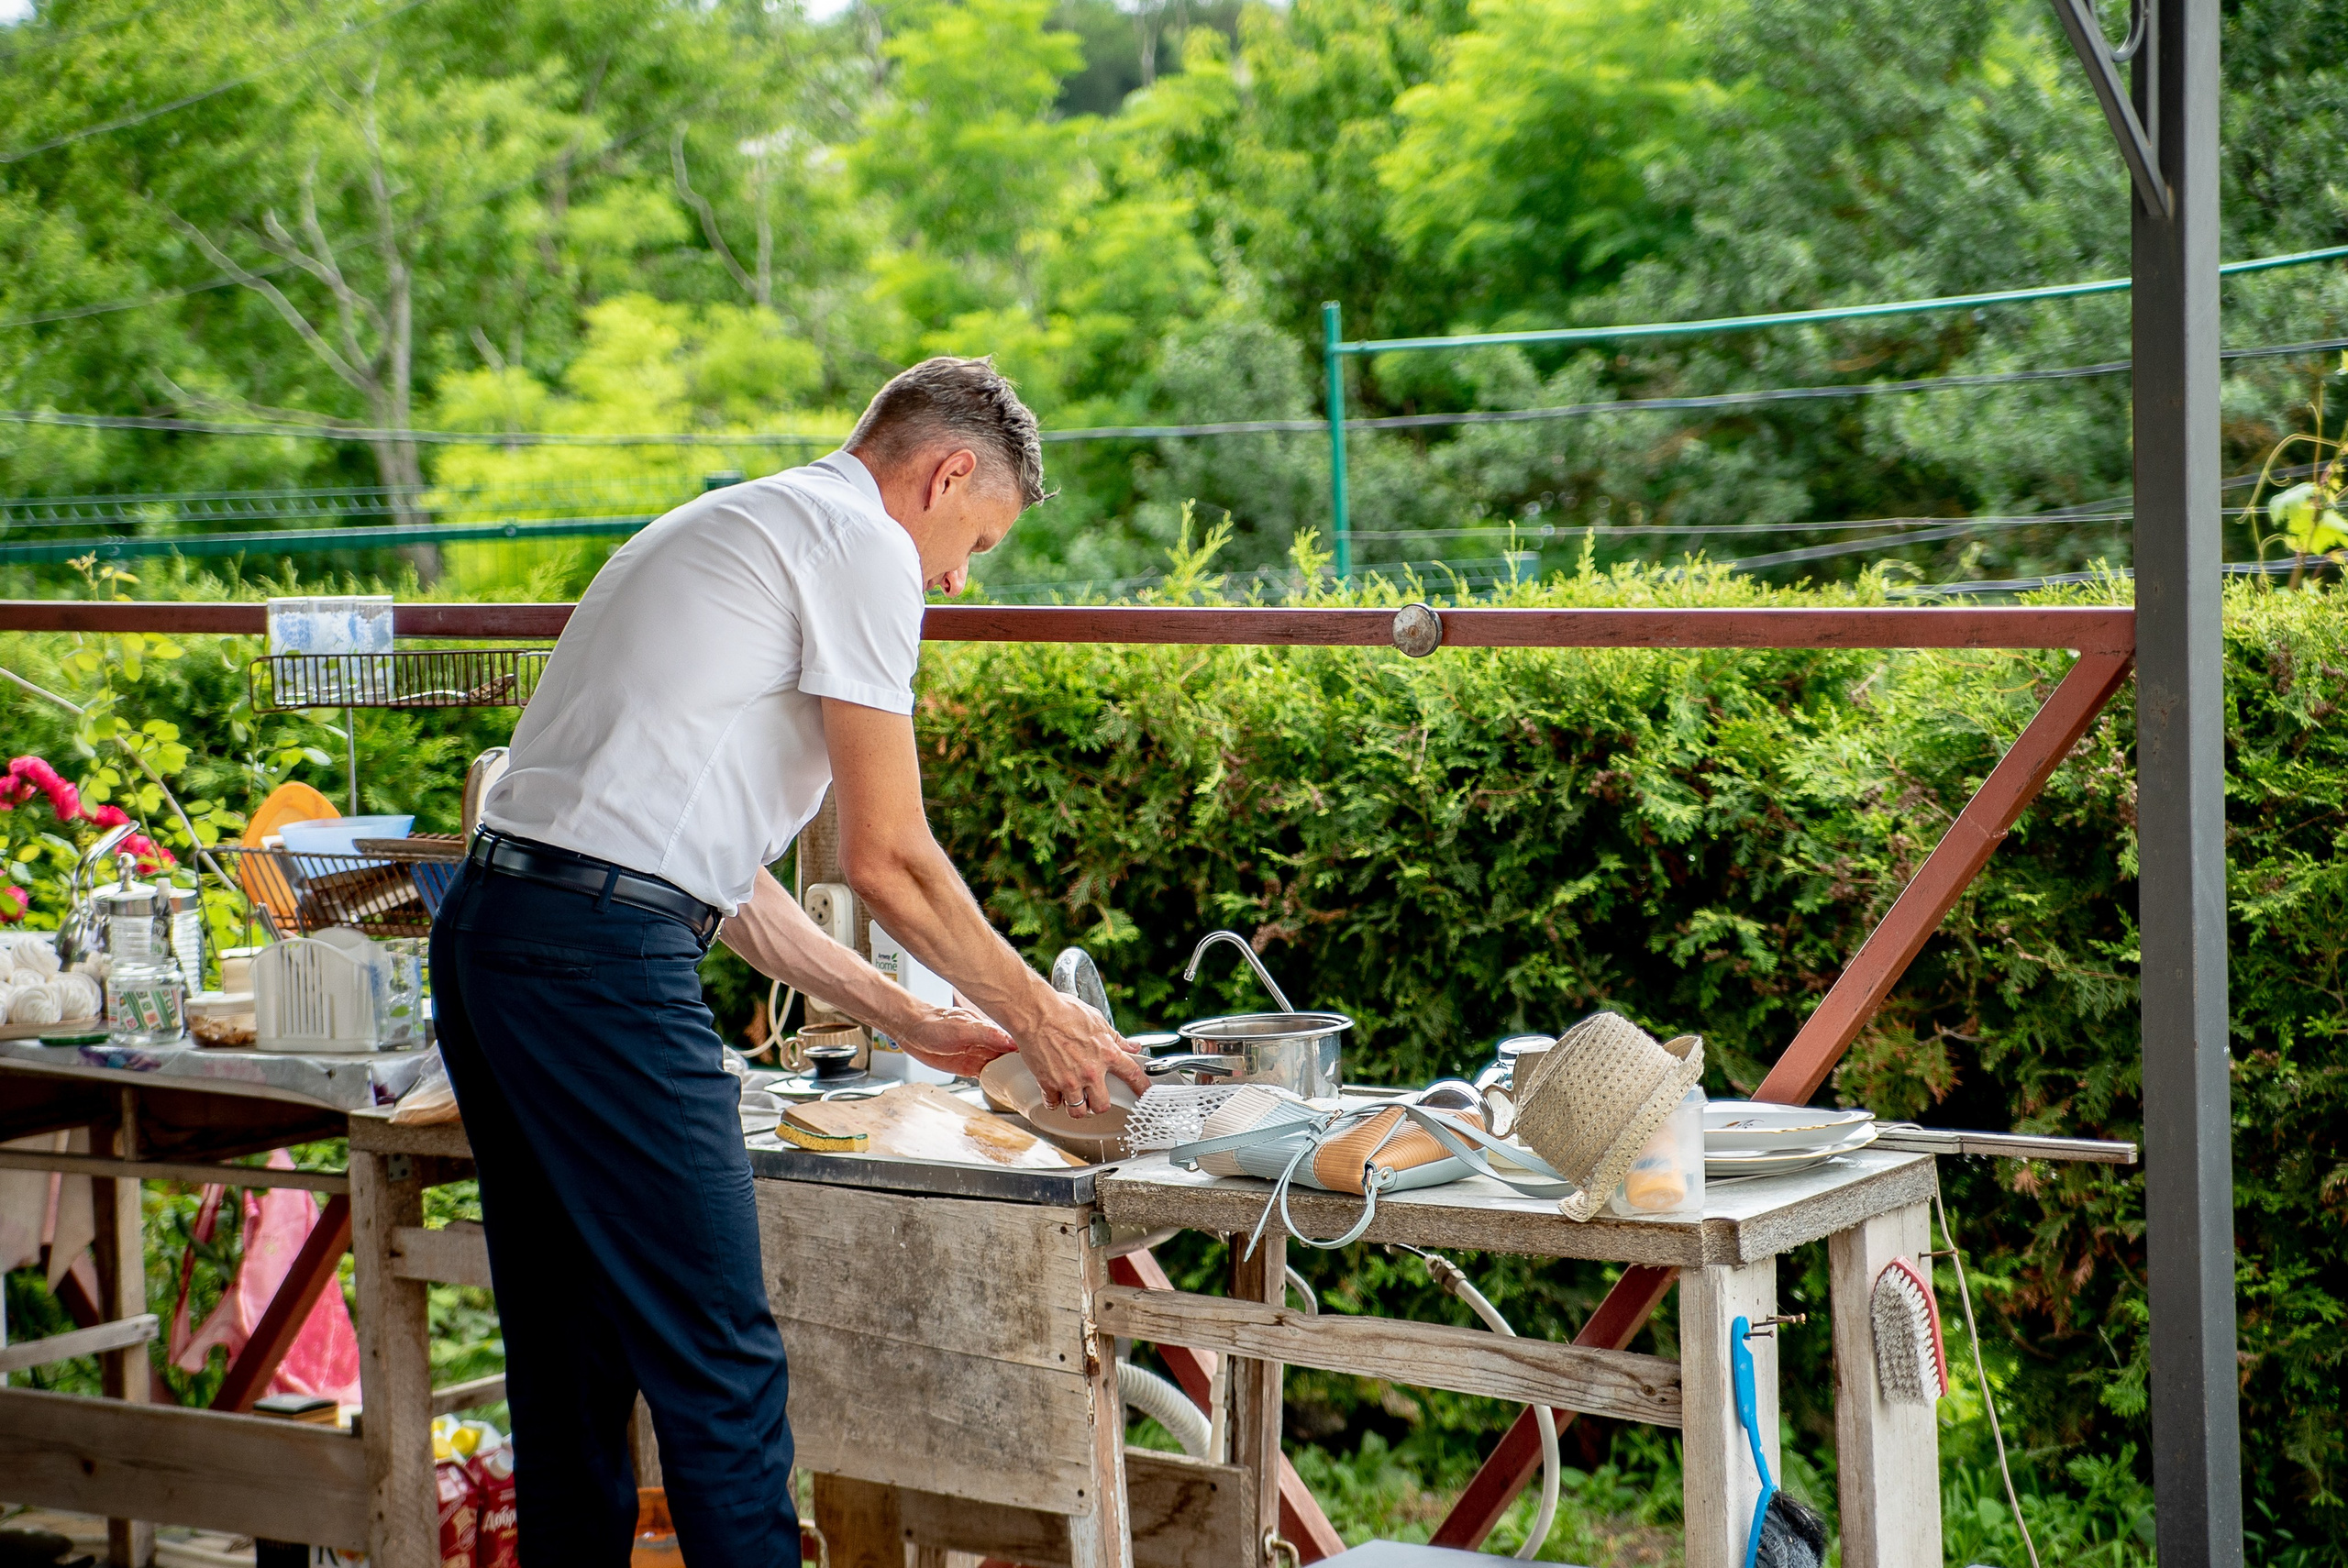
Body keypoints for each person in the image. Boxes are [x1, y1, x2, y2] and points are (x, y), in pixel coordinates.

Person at [427, 356, 1150, 1568]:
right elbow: (888, 856)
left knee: (570, 1363)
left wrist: (908, 1019)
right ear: (947, 474)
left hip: (495, 934)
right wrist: (1043, 1016)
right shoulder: (862, 545)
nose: (957, 579)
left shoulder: (737, 521)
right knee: (719, 1363)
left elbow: (714, 875)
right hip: (597, 964)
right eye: (975, 542)